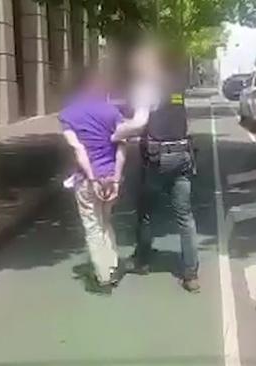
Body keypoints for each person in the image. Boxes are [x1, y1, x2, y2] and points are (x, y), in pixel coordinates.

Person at [111, 42, 200, 293]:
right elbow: (184, 121)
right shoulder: (176, 85)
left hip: (157, 158)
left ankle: (142, 261)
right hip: (182, 154)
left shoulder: (145, 87)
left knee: (146, 212)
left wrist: (116, 133)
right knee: (185, 216)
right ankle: (191, 274)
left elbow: (140, 122)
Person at [60, 66, 127, 295]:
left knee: (92, 226)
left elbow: (78, 149)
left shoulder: (68, 115)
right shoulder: (112, 113)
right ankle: (113, 264)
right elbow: (121, 148)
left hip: (88, 180)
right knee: (106, 220)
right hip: (111, 177)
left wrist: (92, 177)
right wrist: (116, 179)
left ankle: (103, 276)